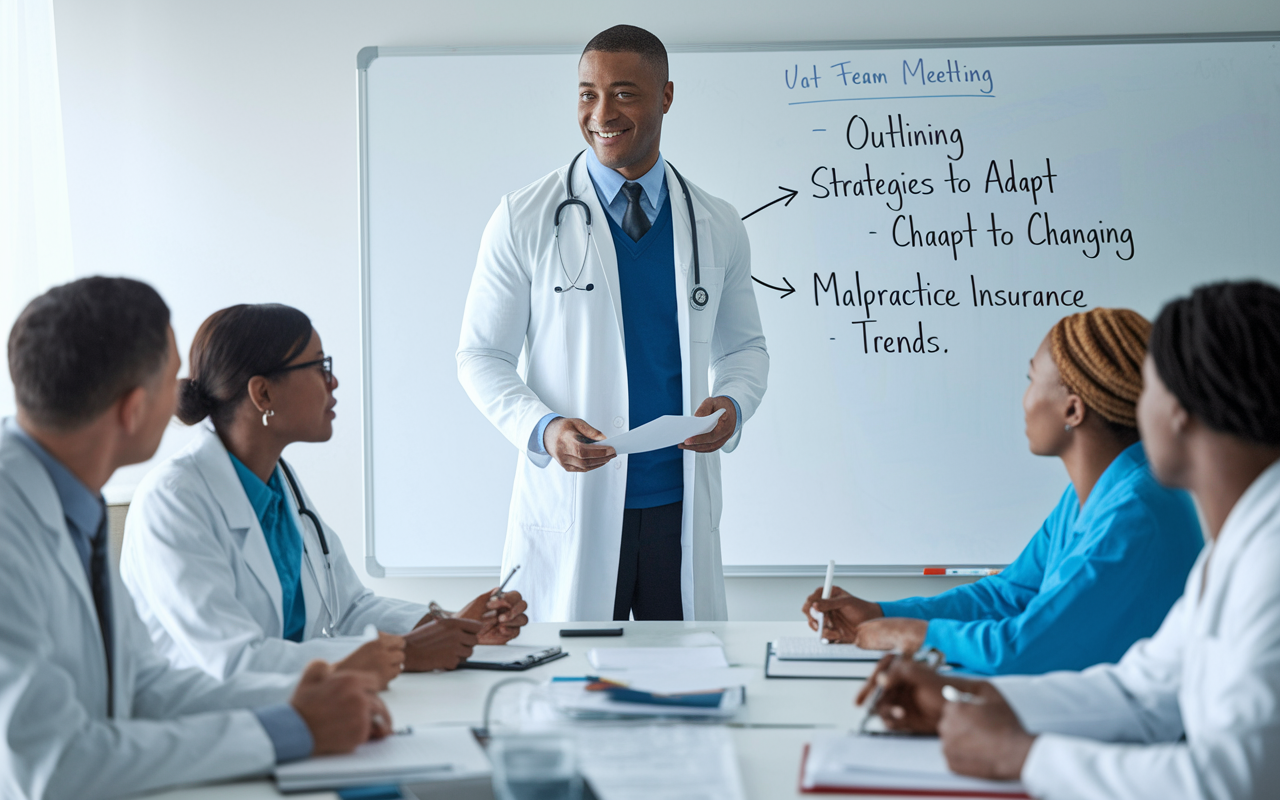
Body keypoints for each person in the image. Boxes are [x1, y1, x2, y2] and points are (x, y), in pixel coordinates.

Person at [859, 280, 1280, 799]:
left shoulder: (1265, 561)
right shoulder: (1240, 546)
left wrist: (1023, 754)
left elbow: (1235, 783)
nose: (1130, 404)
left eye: (1145, 388)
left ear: (1179, 410)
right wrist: (961, 697)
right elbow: (1140, 693)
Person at [0, 278, 389, 800]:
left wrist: (300, 701)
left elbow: (143, 685)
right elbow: (51, 766)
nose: (184, 392)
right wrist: (287, 730)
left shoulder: (70, 497)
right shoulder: (16, 523)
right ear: (133, 409)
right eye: (170, 377)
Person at [456, 25, 769, 622]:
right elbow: (480, 356)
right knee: (566, 688)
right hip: (576, 499)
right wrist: (544, 428)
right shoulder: (524, 217)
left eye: (624, 94)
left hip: (676, 505)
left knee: (683, 691)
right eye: (586, 94)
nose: (602, 113)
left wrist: (731, 406)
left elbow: (746, 350)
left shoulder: (716, 222)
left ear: (666, 97)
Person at [123, 303, 528, 688]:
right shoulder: (174, 500)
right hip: (209, 732)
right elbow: (234, 662)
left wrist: (450, 626)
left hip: (292, 709)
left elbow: (350, 608)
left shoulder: (278, 481)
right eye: (319, 366)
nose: (333, 382)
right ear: (262, 394)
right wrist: (403, 653)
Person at [803, 308, 1203, 675]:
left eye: (1031, 380)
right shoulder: (1096, 495)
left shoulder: (1136, 514)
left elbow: (1022, 648)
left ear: (1073, 410)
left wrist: (911, 635)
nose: (1025, 399)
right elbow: (1008, 595)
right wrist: (877, 614)